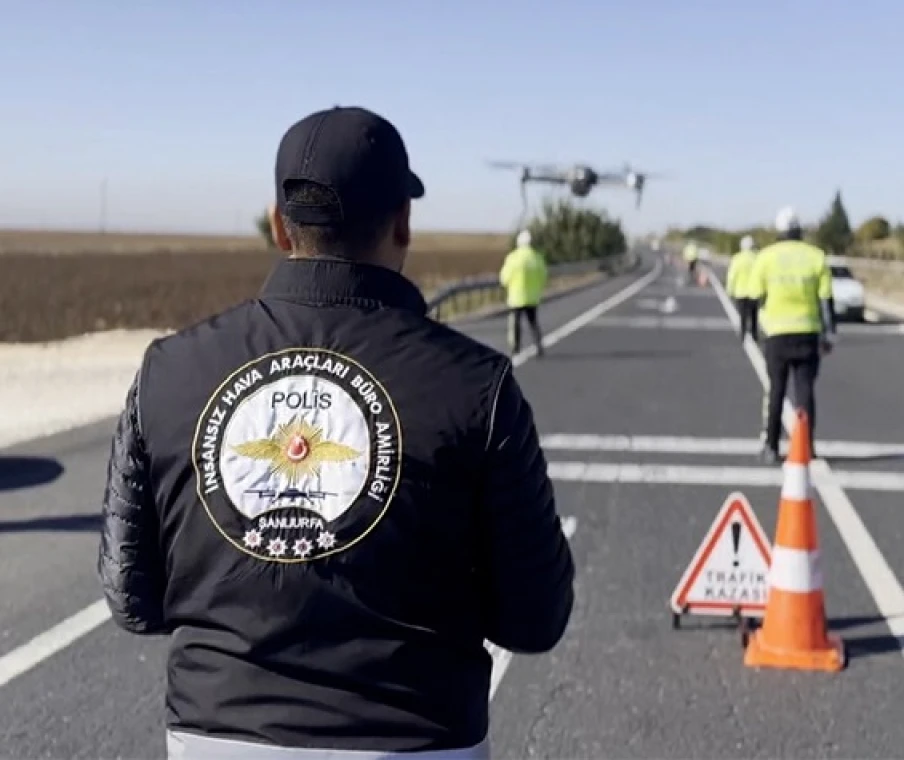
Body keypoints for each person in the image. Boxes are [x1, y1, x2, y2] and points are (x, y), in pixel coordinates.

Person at [96, 105, 575, 760]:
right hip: (417, 741)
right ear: (403, 223)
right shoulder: (478, 385)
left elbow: (132, 597)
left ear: (279, 228)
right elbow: (536, 618)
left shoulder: (166, 371)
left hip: (213, 738)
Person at [746, 206, 836, 464]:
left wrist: (753, 329)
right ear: (799, 231)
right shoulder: (816, 257)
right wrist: (829, 335)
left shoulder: (765, 257)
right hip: (807, 332)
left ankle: (771, 447)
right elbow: (826, 301)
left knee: (776, 391)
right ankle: (806, 446)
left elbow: (754, 298)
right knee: (805, 392)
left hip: (776, 334)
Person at [499, 229, 547, 357]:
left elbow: (504, 277)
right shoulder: (537, 257)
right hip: (532, 297)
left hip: (516, 297)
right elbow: (543, 276)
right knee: (533, 323)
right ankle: (539, 346)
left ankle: (516, 348)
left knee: (515, 324)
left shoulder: (513, 258)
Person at [725, 234, 759, 342]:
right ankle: (754, 334)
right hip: (754, 292)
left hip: (740, 292)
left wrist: (729, 290)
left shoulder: (737, 258)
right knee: (754, 315)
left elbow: (732, 276)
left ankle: (743, 333)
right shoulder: (757, 257)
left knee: (743, 315)